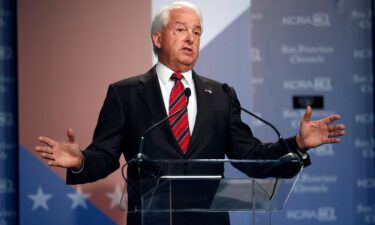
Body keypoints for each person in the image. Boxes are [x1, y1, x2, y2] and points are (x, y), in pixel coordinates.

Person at [35, 1, 345, 225]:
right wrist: (81, 162)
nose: (190, 38)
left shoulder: (221, 95)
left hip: (208, 221)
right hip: (152, 220)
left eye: (197, 32)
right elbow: (104, 155)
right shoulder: (126, 93)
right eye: (180, 29)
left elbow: (250, 155)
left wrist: (297, 145)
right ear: (158, 38)